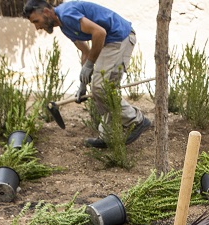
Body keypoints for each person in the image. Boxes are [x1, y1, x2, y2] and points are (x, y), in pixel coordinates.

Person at [22, 0, 151, 149]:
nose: (38, 27)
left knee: (102, 88)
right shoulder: (65, 27)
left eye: (36, 21)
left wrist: (90, 65)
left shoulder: (67, 14)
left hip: (119, 37)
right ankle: (108, 135)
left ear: (46, 12)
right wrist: (83, 84)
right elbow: (85, 52)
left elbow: (99, 33)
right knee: (101, 91)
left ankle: (136, 119)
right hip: (110, 41)